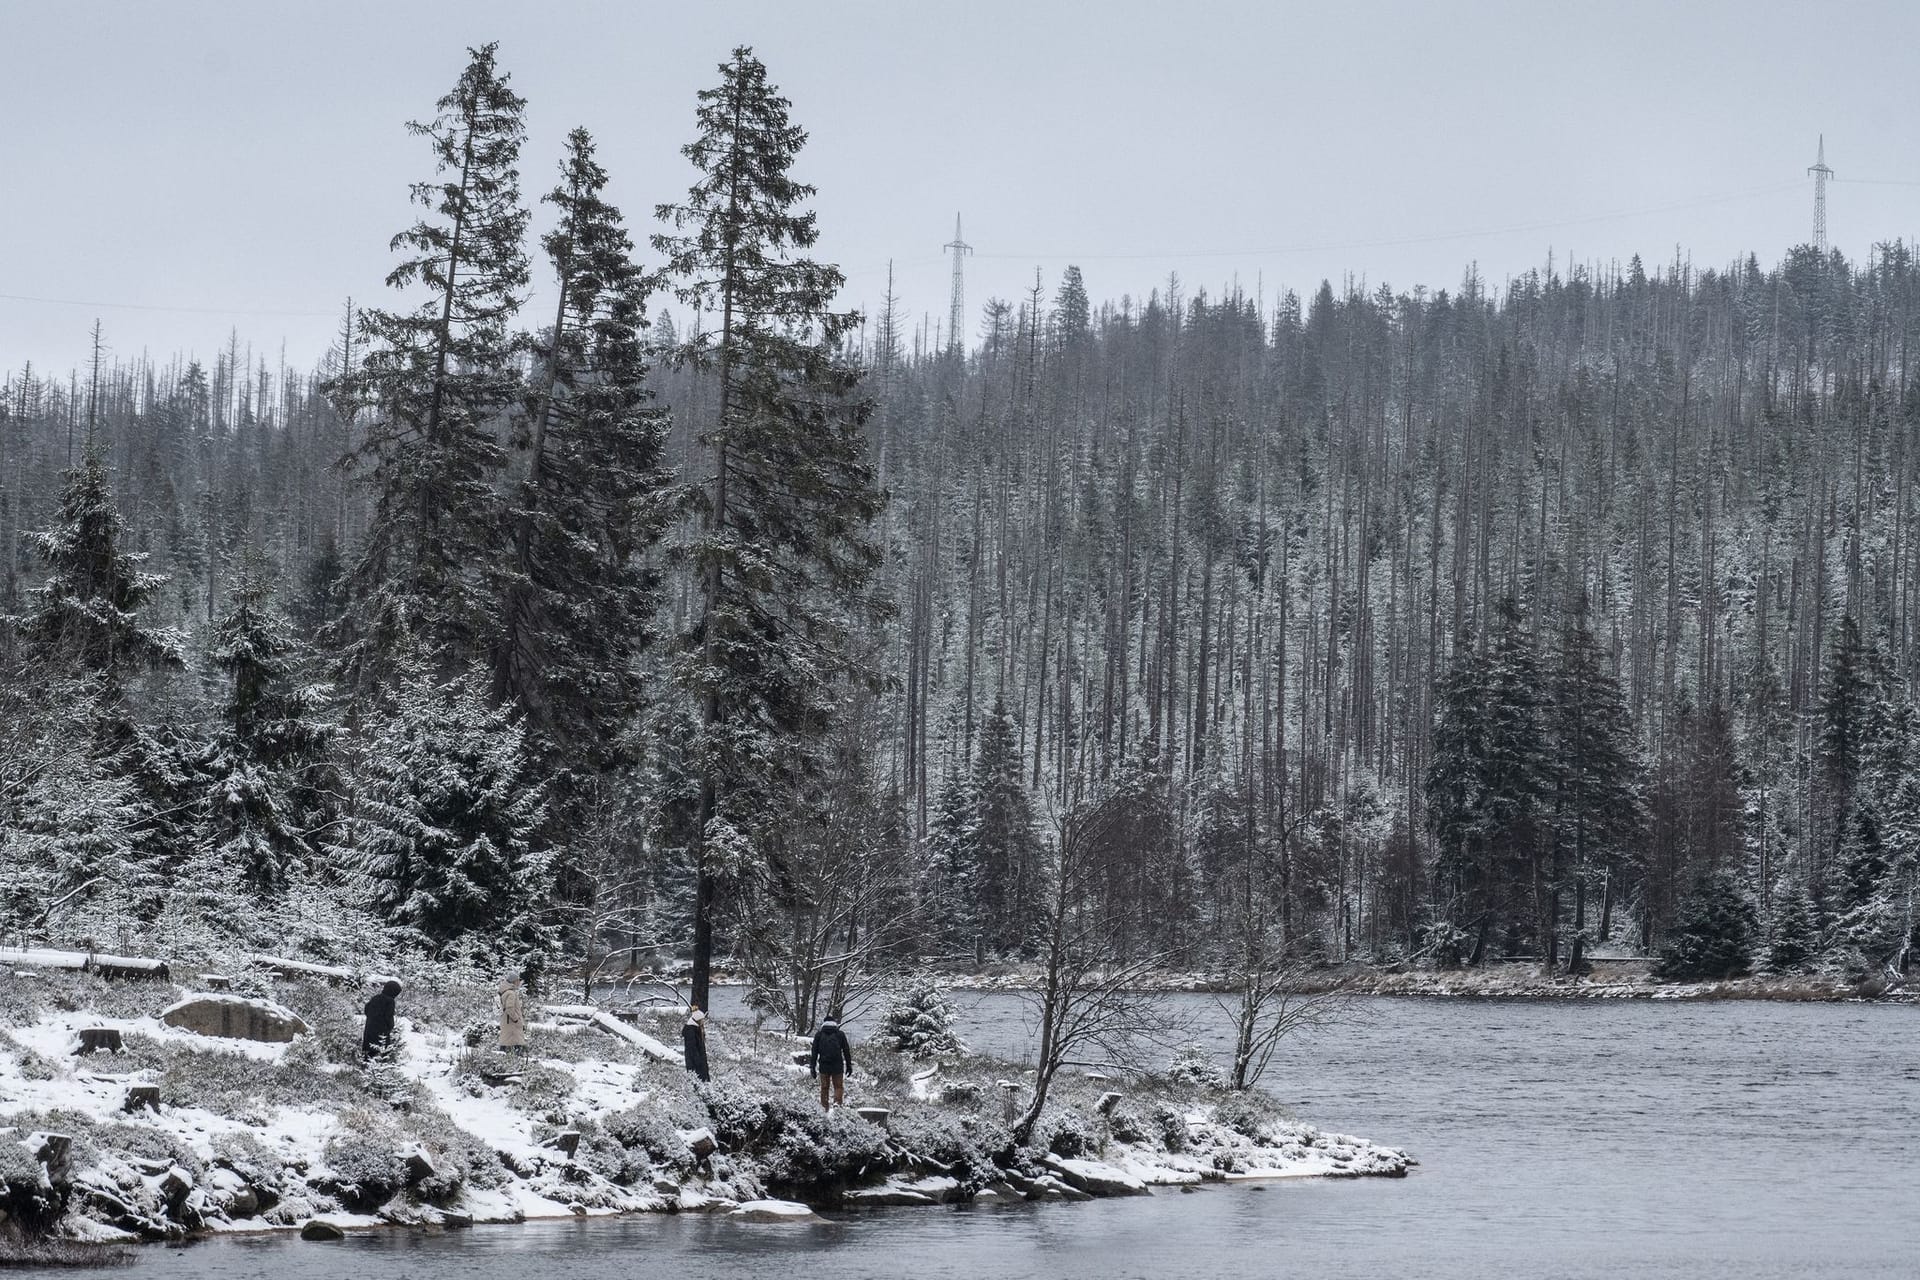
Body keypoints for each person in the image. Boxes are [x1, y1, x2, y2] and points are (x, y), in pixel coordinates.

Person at [808, 1009, 854, 1112]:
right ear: (835, 1024)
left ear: (824, 1024)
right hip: (837, 1066)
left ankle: (824, 1110)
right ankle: (837, 1108)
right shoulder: (840, 1034)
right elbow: (846, 1050)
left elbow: (814, 1052)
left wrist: (812, 1067)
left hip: (824, 1066)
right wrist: (849, 1066)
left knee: (824, 1088)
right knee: (838, 1087)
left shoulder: (819, 1035)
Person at [361, 979, 402, 1061]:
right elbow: (389, 1017)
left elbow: (366, 1010)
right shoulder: (390, 1001)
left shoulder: (375, 998)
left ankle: (366, 1067)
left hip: (369, 1029)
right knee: (381, 1053)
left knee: (369, 1052)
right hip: (382, 1032)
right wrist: (390, 1026)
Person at [498, 974, 527, 1057]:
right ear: (514, 981)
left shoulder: (505, 992)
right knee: (516, 1044)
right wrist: (516, 1019)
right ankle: (517, 1063)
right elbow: (509, 1008)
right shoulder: (511, 993)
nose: (519, 982)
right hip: (512, 1023)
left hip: (507, 1021)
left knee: (505, 1042)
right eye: (518, 980)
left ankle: (504, 1061)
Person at [682, 1003, 710, 1082]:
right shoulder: (691, 1031)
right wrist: (699, 1062)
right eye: (702, 1020)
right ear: (697, 1020)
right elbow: (692, 1049)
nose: (703, 1022)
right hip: (695, 1063)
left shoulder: (696, 1029)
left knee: (701, 1081)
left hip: (698, 1062)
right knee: (698, 1081)